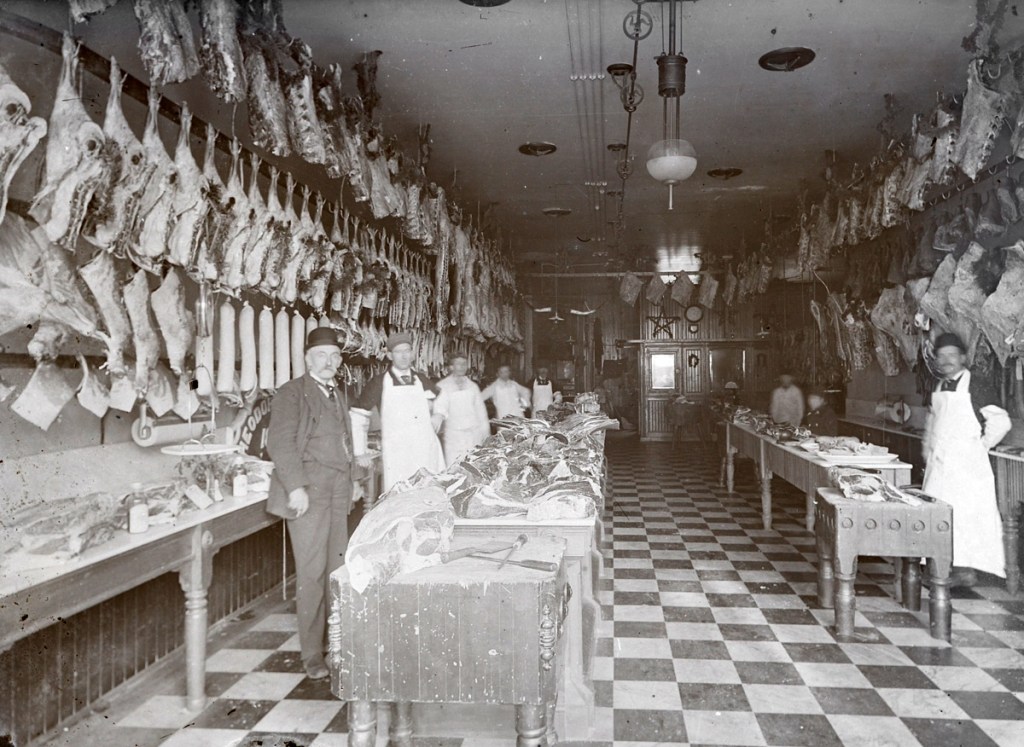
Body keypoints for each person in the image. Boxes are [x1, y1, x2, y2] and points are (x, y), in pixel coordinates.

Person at [266, 327, 356, 680]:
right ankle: (312, 656)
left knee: (337, 569)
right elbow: (280, 443)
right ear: (307, 358)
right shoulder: (292, 392)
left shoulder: (335, 391)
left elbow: (344, 441)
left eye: (335, 356)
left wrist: (353, 482)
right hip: (309, 490)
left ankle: (337, 643)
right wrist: (296, 487)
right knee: (312, 573)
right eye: (322, 355)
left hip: (336, 489)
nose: (330, 362)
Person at [923, 332, 1011, 587]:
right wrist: (929, 451)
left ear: (962, 357)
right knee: (938, 517)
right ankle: (943, 568)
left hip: (967, 467)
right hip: (940, 465)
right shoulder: (939, 386)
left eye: (952, 355)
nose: (947, 360)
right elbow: (933, 423)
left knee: (965, 518)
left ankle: (965, 571)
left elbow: (1000, 422)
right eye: (942, 356)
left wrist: (979, 446)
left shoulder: (976, 384)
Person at [353, 331, 445, 492]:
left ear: (412, 353)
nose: (404, 356)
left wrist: (439, 414)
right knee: (399, 498)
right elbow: (359, 414)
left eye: (407, 351)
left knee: (429, 495)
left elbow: (442, 396)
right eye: (398, 352)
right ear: (389, 355)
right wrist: (360, 452)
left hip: (425, 449)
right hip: (398, 452)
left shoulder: (420, 379)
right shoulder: (379, 382)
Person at [434, 353, 490, 466]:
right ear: (451, 367)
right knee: (454, 467)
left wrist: (485, 432)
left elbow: (481, 411)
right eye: (458, 364)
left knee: (474, 467)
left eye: (464, 364)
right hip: (453, 435)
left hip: (473, 434)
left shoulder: (473, 386)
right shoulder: (442, 386)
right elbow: (439, 409)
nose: (462, 366)